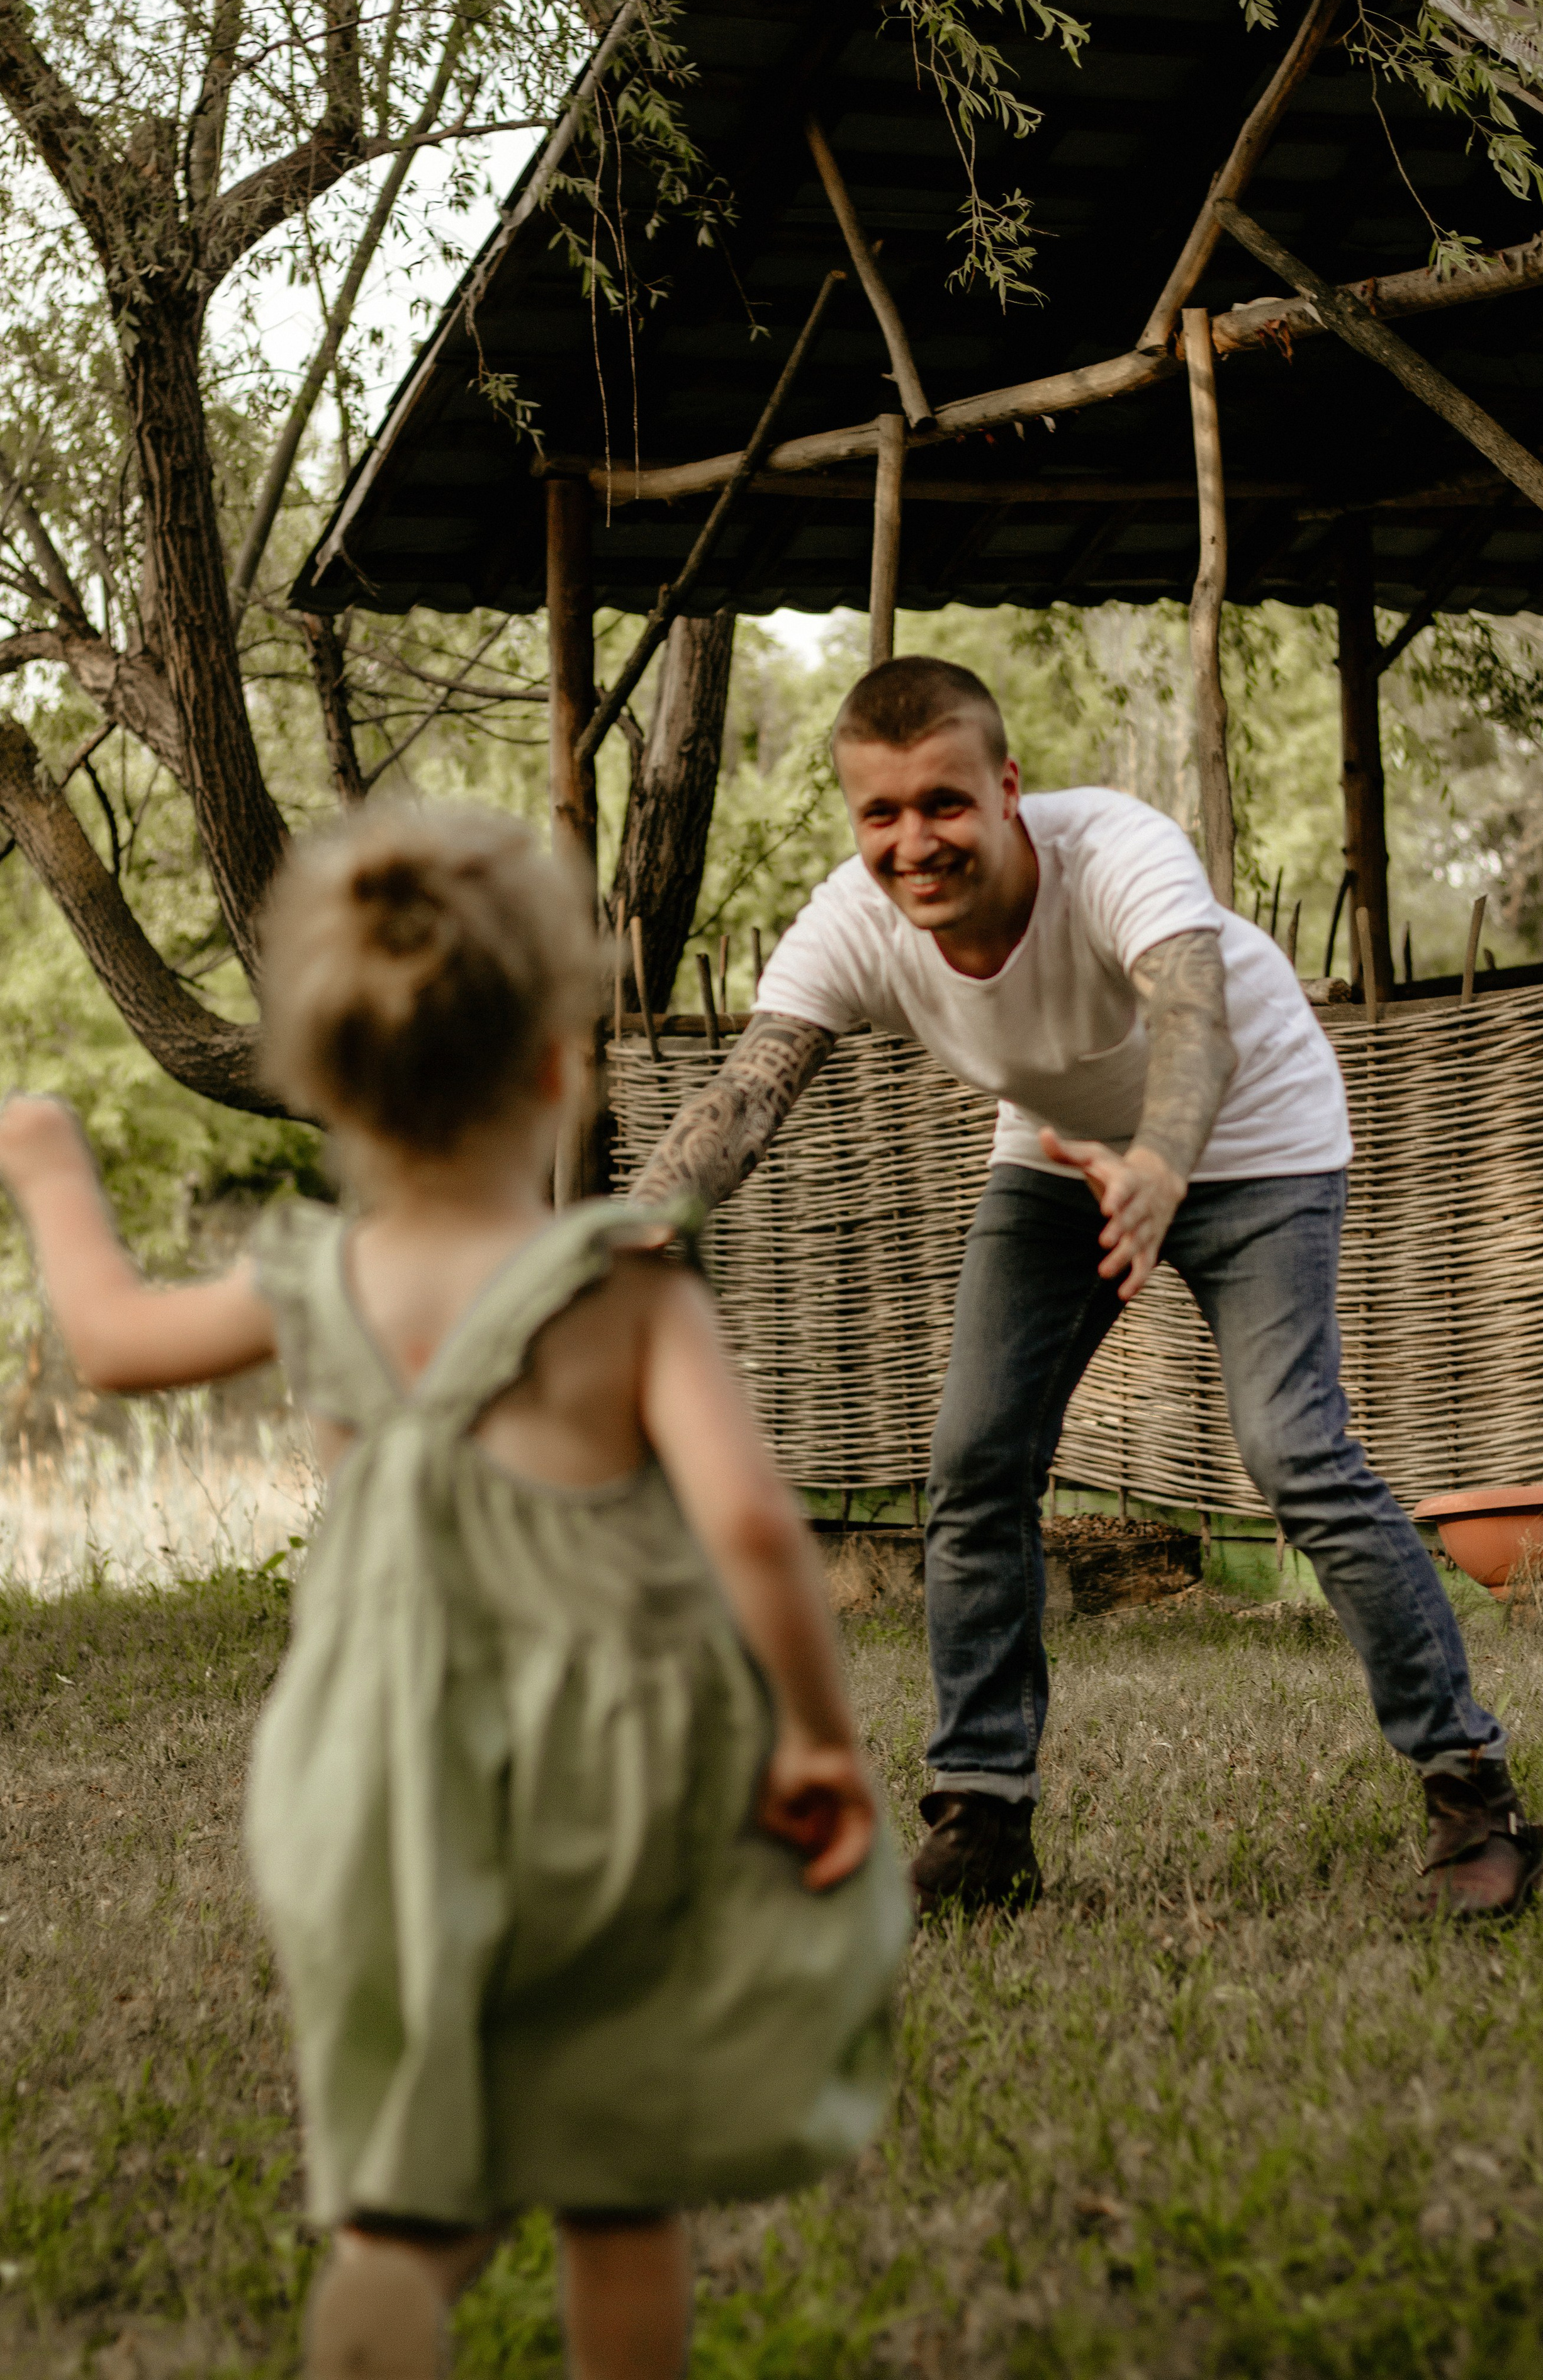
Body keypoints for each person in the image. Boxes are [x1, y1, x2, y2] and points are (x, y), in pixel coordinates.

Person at [0, 803, 909, 2380]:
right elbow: (757, 1533)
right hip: (606, 1772)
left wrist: (48, 1160)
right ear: (561, 1065)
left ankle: (391, 2280)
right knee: (616, 2185)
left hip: (371, 1776)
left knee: (399, 2188)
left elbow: (109, 1342)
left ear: (326, 1086)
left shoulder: (308, 1279)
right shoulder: (620, 1275)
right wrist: (817, 1739)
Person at [632, 655, 1543, 1928]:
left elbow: (1194, 1023)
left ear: (1005, 790)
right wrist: (626, 1233)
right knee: (974, 1456)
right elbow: (745, 1099)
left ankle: (1469, 1792)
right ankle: (982, 1816)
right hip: (1060, 1159)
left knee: (1291, 1452)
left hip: (1255, 1138)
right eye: (879, 814)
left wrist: (1164, 1166)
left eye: (942, 803)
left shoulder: (1114, 848)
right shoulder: (850, 920)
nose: (913, 842)